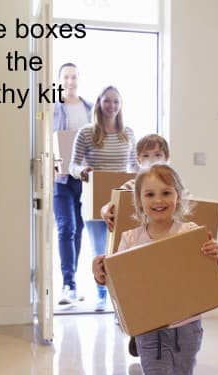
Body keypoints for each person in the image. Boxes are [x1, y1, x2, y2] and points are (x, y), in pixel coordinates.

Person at [93, 164, 218, 375]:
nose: (158, 200)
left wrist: (214, 254)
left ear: (178, 197)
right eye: (149, 195)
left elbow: (207, 270)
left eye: (166, 192)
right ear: (139, 202)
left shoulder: (190, 232)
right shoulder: (130, 239)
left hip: (188, 322)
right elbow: (118, 282)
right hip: (149, 327)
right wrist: (100, 273)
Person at [99, 133, 171, 356]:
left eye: (157, 155)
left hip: (164, 250)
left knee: (162, 295)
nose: (152, 160)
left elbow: (188, 206)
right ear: (138, 161)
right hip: (139, 249)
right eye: (146, 156)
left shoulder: (173, 184)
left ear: (167, 158)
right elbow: (113, 202)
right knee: (140, 295)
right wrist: (105, 210)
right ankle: (137, 334)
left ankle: (161, 339)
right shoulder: (133, 184)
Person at [69, 85, 138, 311]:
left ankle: (119, 301)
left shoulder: (127, 133)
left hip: (123, 202)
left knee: (122, 251)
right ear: (99, 103)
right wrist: (82, 171)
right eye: (107, 101)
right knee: (100, 250)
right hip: (95, 201)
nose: (112, 106)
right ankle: (101, 295)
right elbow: (73, 165)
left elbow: (135, 166)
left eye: (116, 101)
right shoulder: (87, 133)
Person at [53, 63, 93, 305]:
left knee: (79, 228)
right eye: (66, 77)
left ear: (79, 79)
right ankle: (68, 284)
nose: (70, 81)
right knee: (65, 227)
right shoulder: (53, 107)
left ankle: (73, 281)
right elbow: (47, 136)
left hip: (84, 177)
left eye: (74, 77)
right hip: (61, 178)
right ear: (60, 80)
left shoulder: (89, 108)